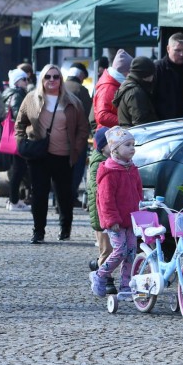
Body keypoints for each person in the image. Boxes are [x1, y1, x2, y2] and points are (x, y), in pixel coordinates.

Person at [15, 63, 90, 244]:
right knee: (39, 194)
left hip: (63, 155)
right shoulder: (31, 99)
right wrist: (21, 142)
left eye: (56, 77)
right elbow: (20, 123)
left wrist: (77, 148)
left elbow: (82, 128)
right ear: (42, 79)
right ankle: (38, 232)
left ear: (61, 80)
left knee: (64, 195)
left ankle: (65, 228)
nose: (52, 80)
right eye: (48, 77)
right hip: (38, 155)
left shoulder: (72, 101)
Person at [90, 127, 143, 298]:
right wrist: (112, 219)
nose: (132, 148)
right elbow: (106, 199)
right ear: (115, 150)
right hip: (115, 222)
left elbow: (138, 192)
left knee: (131, 252)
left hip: (131, 220)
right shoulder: (109, 171)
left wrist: (141, 211)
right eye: (127, 145)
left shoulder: (132, 169)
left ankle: (126, 285)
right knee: (120, 250)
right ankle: (100, 275)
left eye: (133, 144)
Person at [86, 126, 116, 295]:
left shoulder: (114, 160)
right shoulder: (99, 164)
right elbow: (98, 190)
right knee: (107, 250)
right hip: (101, 214)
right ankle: (104, 278)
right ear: (103, 146)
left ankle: (98, 265)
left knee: (113, 249)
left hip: (112, 213)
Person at [2, 68, 30, 211]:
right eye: (24, 79)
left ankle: (13, 199)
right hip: (18, 135)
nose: (26, 82)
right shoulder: (17, 94)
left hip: (11, 135)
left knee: (16, 169)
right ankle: (14, 200)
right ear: (17, 81)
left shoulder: (8, 93)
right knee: (19, 169)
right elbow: (19, 113)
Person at [65, 63, 92, 206]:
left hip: (57, 135)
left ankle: (58, 198)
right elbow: (88, 113)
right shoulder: (81, 90)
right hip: (76, 137)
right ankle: (71, 196)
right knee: (76, 167)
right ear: (81, 76)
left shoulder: (58, 87)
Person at [152, 32, 183, 119]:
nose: (182, 54)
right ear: (168, 49)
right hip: (161, 123)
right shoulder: (157, 69)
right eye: (178, 50)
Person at [114, 56, 158, 127]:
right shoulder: (135, 93)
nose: (153, 77)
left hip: (129, 134)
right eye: (152, 74)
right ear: (145, 75)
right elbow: (141, 124)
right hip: (136, 136)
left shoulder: (127, 86)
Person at [93, 49, 132, 128]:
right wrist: (126, 122)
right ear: (126, 72)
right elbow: (102, 116)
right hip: (108, 136)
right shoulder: (107, 88)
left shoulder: (115, 83)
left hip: (113, 134)